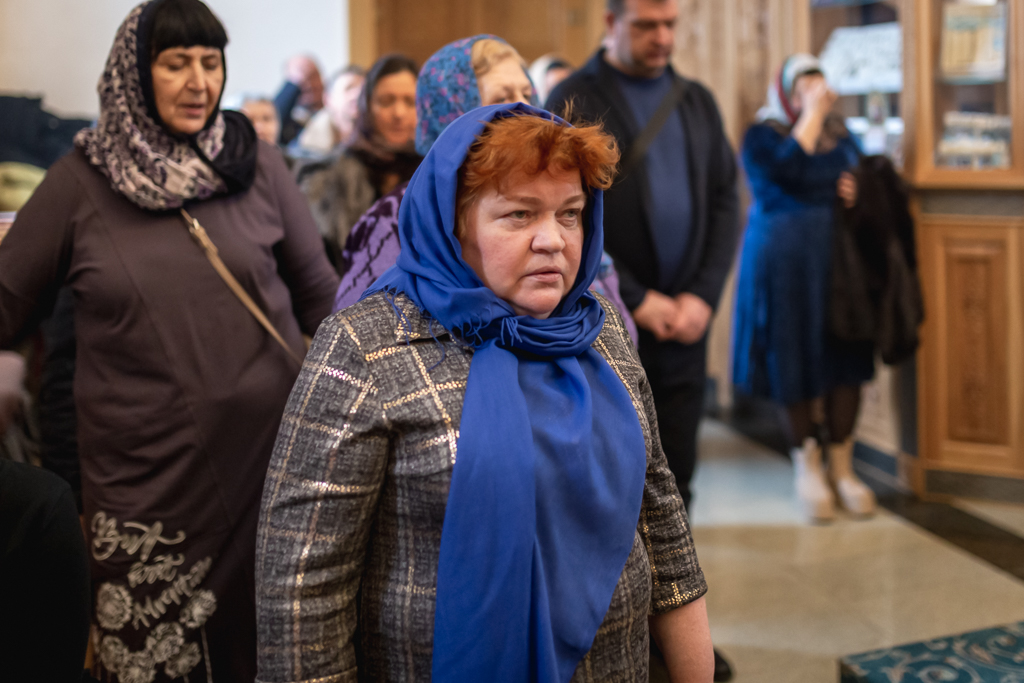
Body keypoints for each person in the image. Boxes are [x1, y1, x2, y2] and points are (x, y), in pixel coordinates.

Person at [256, 102, 713, 683]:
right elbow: (303, 587)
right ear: (454, 224)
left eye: (570, 214)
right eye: (519, 215)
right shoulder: (366, 346)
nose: (552, 240)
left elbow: (663, 526)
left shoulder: (600, 332)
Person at [0, 1, 339, 680]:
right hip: (149, 488)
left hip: (267, 475)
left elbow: (323, 301)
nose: (198, 82)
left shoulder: (257, 164)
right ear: (134, 73)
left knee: (265, 654)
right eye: (176, 63)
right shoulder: (82, 181)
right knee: (153, 659)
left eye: (211, 63)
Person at [547, 1, 739, 678]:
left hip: (685, 325)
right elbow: (567, 216)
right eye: (646, 25)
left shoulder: (696, 100)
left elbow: (727, 200)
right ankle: (617, 630)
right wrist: (638, 298)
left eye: (670, 24)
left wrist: (702, 297)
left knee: (676, 483)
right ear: (611, 22)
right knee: (613, 488)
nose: (662, 38)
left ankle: (675, 631)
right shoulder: (573, 98)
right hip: (607, 325)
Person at [332, 35, 638, 343]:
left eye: (527, 94)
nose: (524, 110)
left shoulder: (557, 199)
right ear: (449, 110)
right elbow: (371, 333)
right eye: (502, 98)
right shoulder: (394, 220)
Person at [732, 54, 877, 523]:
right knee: (791, 357)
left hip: (838, 268)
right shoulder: (762, 136)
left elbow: (860, 177)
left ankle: (842, 466)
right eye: (802, 90)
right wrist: (811, 117)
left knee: (846, 358)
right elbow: (787, 173)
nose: (814, 99)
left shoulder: (842, 135)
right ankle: (806, 464)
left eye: (819, 90)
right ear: (784, 93)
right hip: (784, 268)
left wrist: (859, 193)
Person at [298, 54, 420, 270]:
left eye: (410, 102)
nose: (399, 113)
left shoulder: (434, 172)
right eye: (386, 101)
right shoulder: (328, 176)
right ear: (366, 106)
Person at [292, 65, 366, 158]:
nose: (357, 94)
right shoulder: (303, 151)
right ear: (328, 99)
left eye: (363, 90)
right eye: (349, 88)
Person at [274, 54, 325, 146]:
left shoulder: (332, 107)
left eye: (313, 76)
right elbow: (275, 117)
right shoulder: (286, 116)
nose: (309, 85)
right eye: (300, 81)